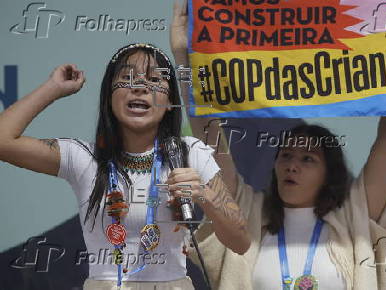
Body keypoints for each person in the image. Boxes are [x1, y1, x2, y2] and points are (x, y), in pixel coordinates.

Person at [170, 1, 386, 289]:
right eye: (286, 154)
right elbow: (211, 140)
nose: (292, 164)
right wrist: (184, 59)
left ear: (330, 173)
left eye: (308, 159)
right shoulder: (245, 215)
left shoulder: (357, 216)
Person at [0, 42, 250, 290]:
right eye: (127, 77)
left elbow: (241, 242)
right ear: (109, 94)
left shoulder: (189, 152)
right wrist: (52, 88)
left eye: (154, 80)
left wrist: (204, 195)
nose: (140, 87)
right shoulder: (83, 157)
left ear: (169, 100)